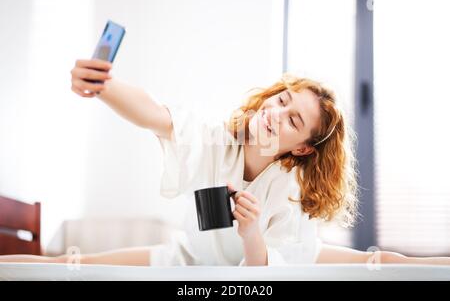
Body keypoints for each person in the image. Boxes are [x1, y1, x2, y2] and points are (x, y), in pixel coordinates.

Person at [1, 59, 449, 266]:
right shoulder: (219, 139)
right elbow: (160, 117)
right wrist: (103, 86)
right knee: (72, 264)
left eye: (292, 120)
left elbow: (262, 274)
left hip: (284, 260)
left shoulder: (291, 188)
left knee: (385, 262)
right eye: (281, 100)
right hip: (188, 258)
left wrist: (251, 232)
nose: (274, 114)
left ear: (303, 149)